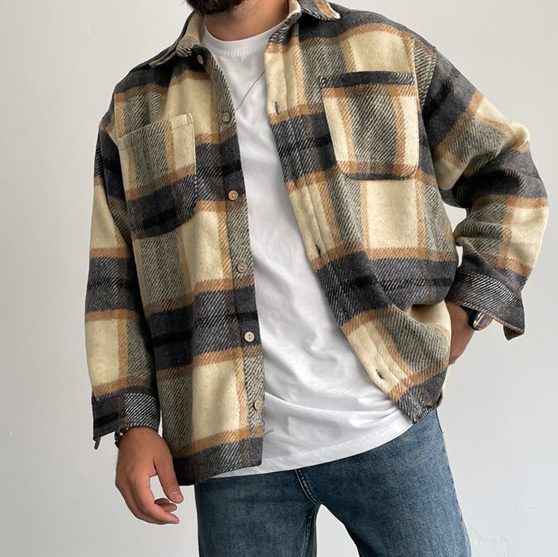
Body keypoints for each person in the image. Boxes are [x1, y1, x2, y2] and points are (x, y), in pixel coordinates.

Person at [83, 0, 548, 554]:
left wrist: (470, 309)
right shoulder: (135, 105)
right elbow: (115, 279)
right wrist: (132, 424)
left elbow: (507, 171)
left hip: (386, 423)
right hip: (234, 461)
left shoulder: (383, 50)